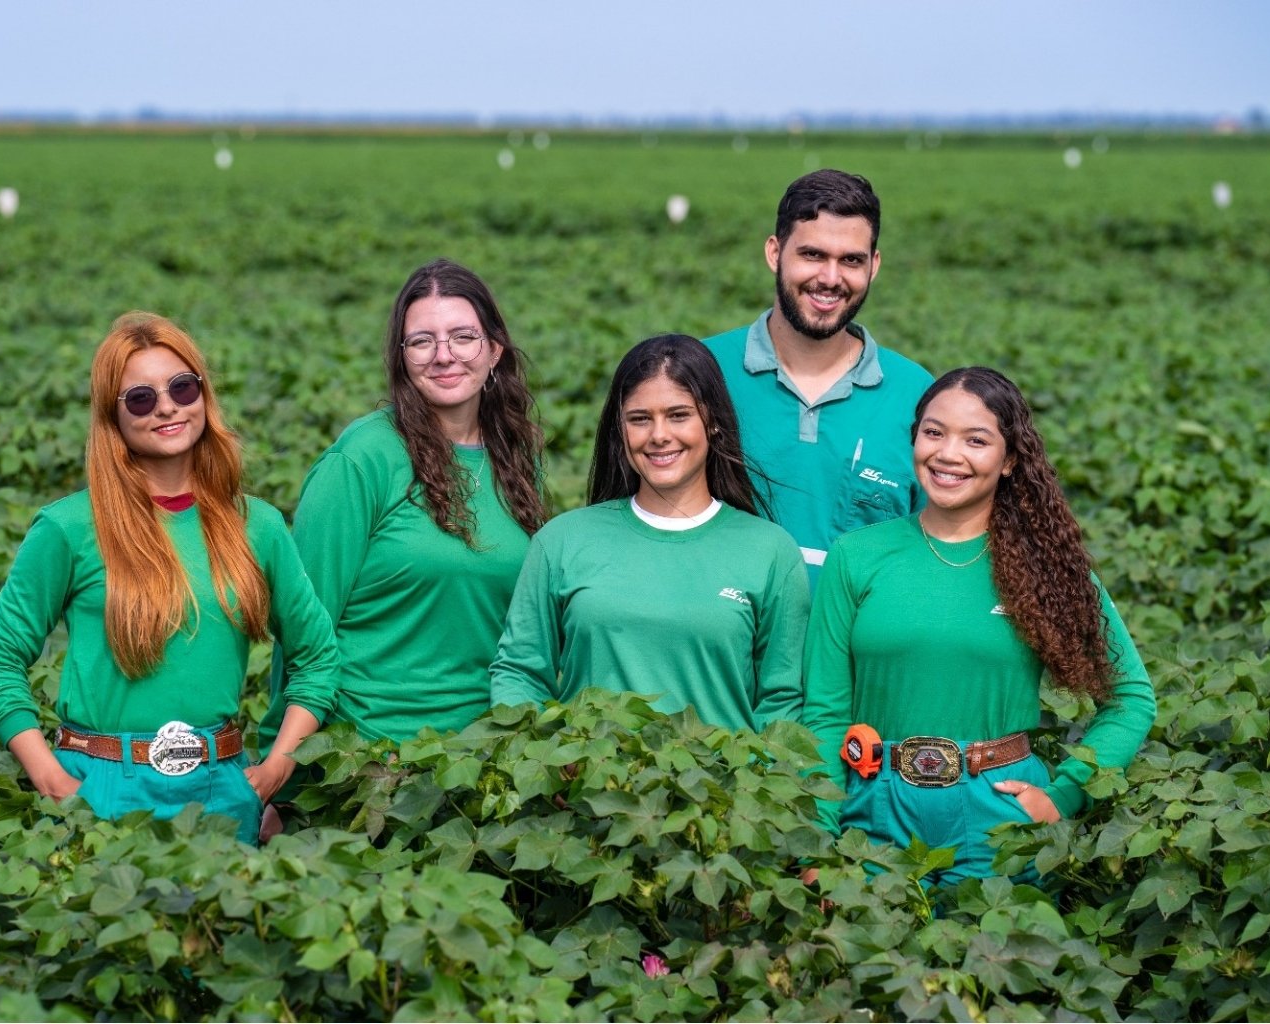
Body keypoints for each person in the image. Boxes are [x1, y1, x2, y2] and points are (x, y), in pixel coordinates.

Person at [0, 312, 339, 845]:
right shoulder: (69, 527)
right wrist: (48, 776)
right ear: (111, 417)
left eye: (182, 388)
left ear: (203, 397)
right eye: (140, 398)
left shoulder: (256, 525)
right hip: (100, 790)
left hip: (221, 787)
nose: (166, 406)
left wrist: (278, 764)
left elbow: (318, 656)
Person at [801, 366, 1156, 887]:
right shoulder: (856, 557)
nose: (948, 454)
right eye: (933, 432)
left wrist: (1063, 794)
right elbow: (826, 713)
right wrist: (819, 839)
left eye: (976, 440)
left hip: (1001, 823)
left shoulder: (1047, 567)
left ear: (1010, 460)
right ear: (914, 439)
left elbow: (1131, 697)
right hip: (872, 817)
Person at [257, 259, 547, 825]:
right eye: (422, 340)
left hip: (482, 766)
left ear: (495, 351)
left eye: (464, 336)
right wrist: (279, 776)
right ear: (401, 357)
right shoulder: (360, 461)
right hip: (370, 769)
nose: (444, 354)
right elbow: (302, 632)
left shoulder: (518, 455)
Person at [490, 334, 809, 733]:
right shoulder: (563, 540)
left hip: (719, 790)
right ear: (619, 430)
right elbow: (520, 671)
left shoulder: (770, 551)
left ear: (711, 421)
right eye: (640, 419)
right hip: (587, 788)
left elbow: (782, 700)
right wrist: (544, 764)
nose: (659, 435)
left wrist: (753, 785)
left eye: (678, 415)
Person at [704, 169, 934, 587]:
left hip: (855, 650)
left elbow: (936, 555)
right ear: (775, 253)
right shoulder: (702, 372)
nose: (830, 278)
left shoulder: (918, 396)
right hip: (725, 650)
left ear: (874, 265)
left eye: (851, 260)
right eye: (812, 255)